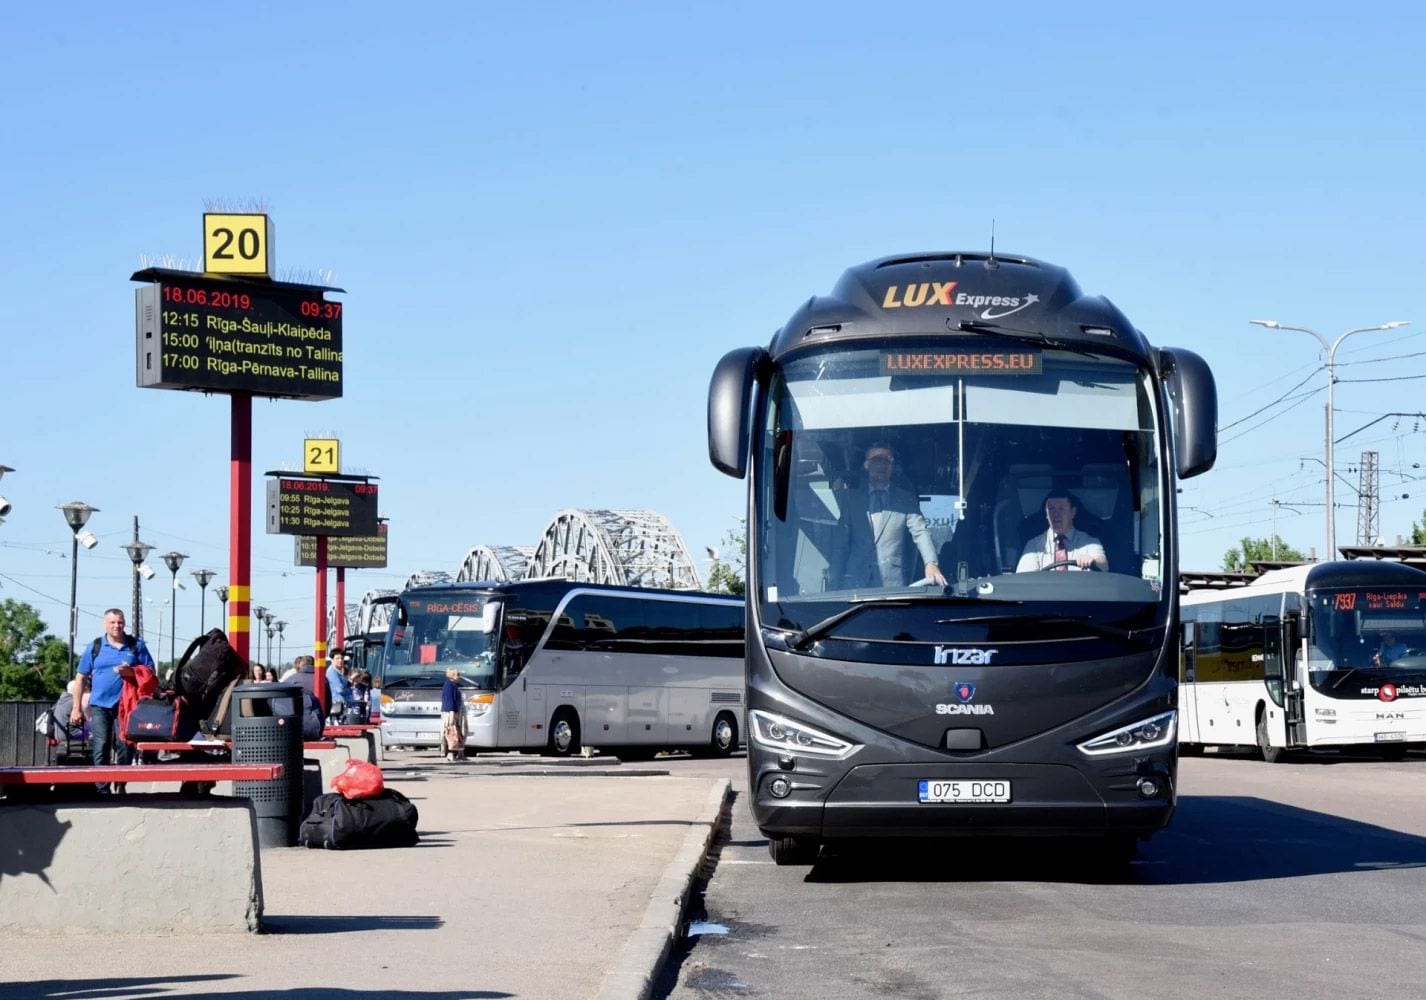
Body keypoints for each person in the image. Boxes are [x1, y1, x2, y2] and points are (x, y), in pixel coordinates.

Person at [829, 442, 947, 589]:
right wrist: (834, 581)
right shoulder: (853, 500)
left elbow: (920, 531)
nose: (882, 465)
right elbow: (841, 545)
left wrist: (931, 564)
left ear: (892, 467)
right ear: (867, 465)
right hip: (854, 584)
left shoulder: (904, 499)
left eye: (887, 461)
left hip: (892, 584)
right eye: (877, 460)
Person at [69, 608, 156, 792]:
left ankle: (121, 782)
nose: (117, 626)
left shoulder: (136, 646)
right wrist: (76, 708)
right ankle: (102, 788)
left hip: (127, 706)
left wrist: (131, 672)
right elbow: (80, 678)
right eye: (113, 622)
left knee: (125, 745)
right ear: (105, 624)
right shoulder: (95, 647)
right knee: (101, 744)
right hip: (100, 704)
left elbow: (151, 674)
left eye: (120, 622)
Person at [1016, 491, 1108, 572]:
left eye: (1061, 508)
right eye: (1051, 509)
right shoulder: (1034, 546)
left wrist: (1093, 561)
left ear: (1073, 512)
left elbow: (1104, 566)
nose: (1056, 514)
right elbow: (1024, 580)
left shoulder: (1089, 542)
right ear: (1046, 514)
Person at [440, 666, 466, 761]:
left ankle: (460, 753)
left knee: (458, 733)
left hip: (455, 712)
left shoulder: (453, 685)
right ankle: (450, 754)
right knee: (451, 733)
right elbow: (449, 700)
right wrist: (451, 713)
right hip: (450, 713)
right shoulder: (449, 685)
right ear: (452, 675)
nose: (459, 676)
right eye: (458, 674)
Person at [326, 650, 354, 720]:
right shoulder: (332, 672)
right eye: (337, 658)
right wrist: (350, 689)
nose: (340, 660)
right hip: (337, 704)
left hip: (342, 704)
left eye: (342, 658)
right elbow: (340, 689)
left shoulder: (339, 671)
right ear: (332, 660)